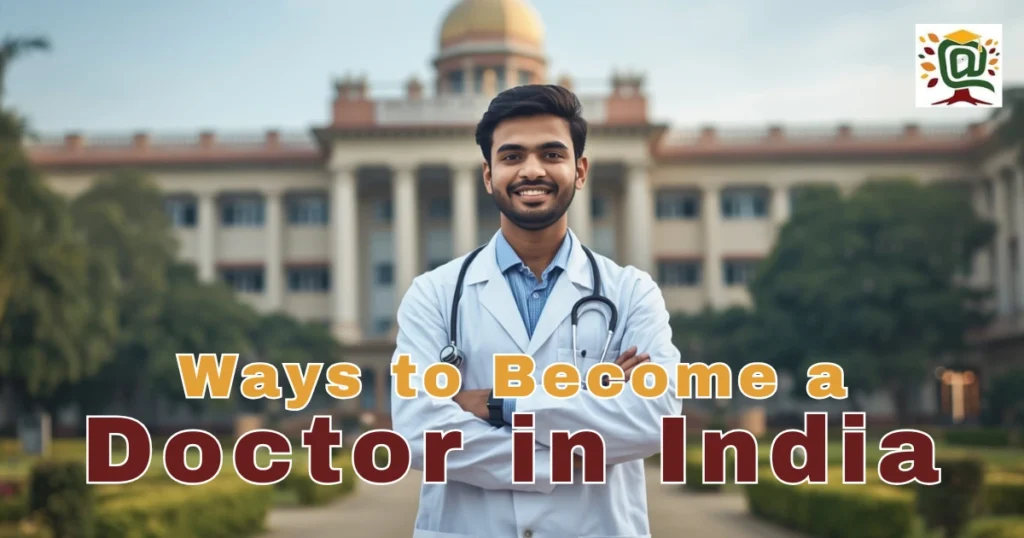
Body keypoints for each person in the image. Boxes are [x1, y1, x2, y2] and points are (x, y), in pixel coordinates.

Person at [390, 84, 683, 538]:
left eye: (551, 154)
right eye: (511, 157)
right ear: (488, 175)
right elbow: (419, 435)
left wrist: (497, 404)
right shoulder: (433, 294)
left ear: (580, 170)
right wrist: (584, 417)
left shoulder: (631, 293)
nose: (532, 170)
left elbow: (656, 422)